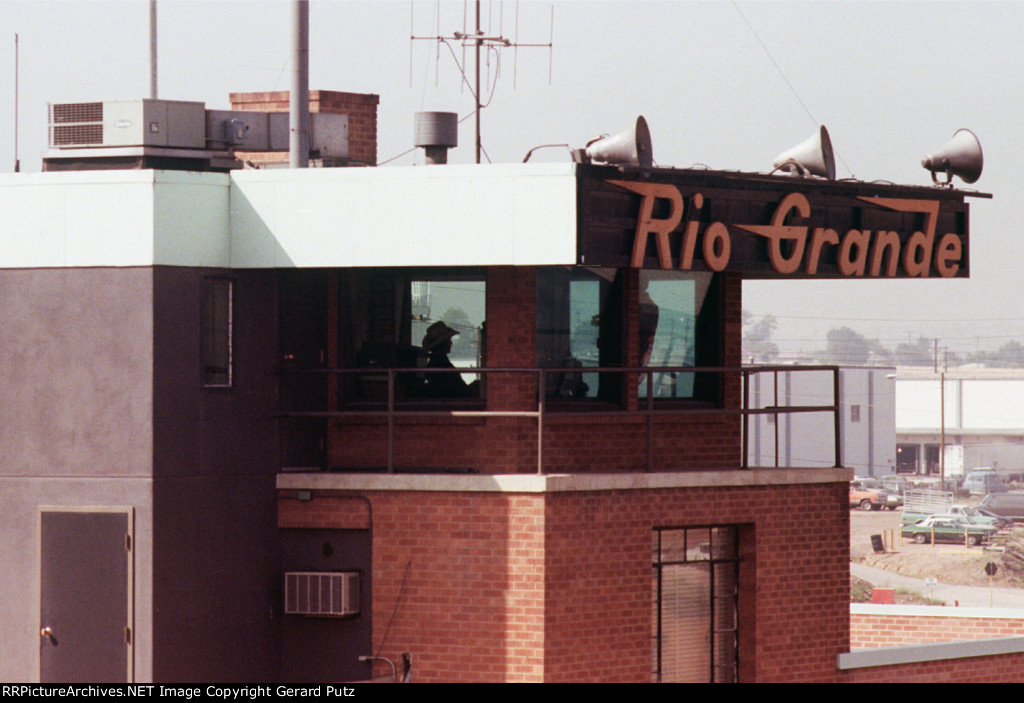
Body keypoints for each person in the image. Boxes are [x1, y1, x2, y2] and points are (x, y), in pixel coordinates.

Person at [421, 321, 477, 398]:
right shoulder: (440, 364)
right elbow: (456, 390)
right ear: (442, 344)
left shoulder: (438, 361)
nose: (451, 343)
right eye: (448, 340)